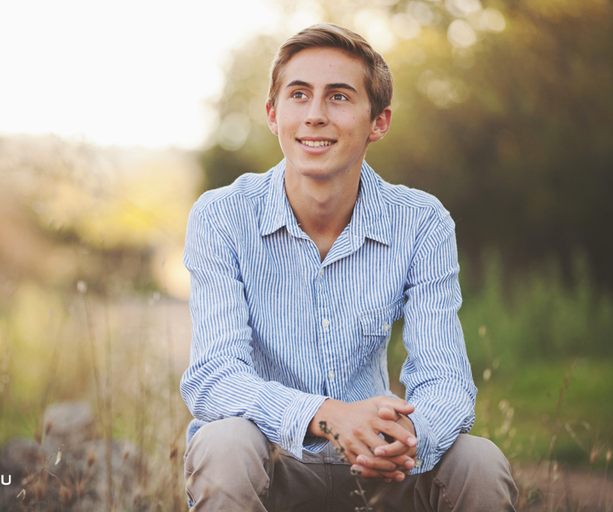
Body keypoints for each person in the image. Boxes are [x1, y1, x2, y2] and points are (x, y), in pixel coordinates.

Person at [180, 23, 518, 511]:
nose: (315, 115)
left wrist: (408, 436)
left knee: (479, 461)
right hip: (274, 459)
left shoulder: (421, 222)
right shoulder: (222, 216)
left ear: (377, 122)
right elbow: (214, 377)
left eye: (338, 97)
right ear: (274, 115)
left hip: (384, 467)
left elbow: (446, 381)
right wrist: (326, 414)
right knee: (223, 442)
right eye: (299, 95)